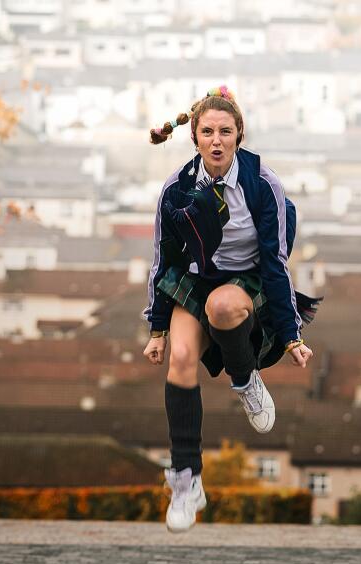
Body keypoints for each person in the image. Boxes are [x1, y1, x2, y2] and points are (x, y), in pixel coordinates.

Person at [142, 85, 319, 532]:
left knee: (222, 306)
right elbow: (164, 259)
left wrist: (293, 333)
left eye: (225, 131)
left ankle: (247, 380)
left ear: (240, 135)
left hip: (246, 280)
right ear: (195, 139)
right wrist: (157, 329)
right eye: (207, 132)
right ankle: (187, 481)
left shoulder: (264, 185)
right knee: (181, 360)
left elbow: (277, 260)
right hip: (196, 279)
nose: (216, 140)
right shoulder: (176, 190)